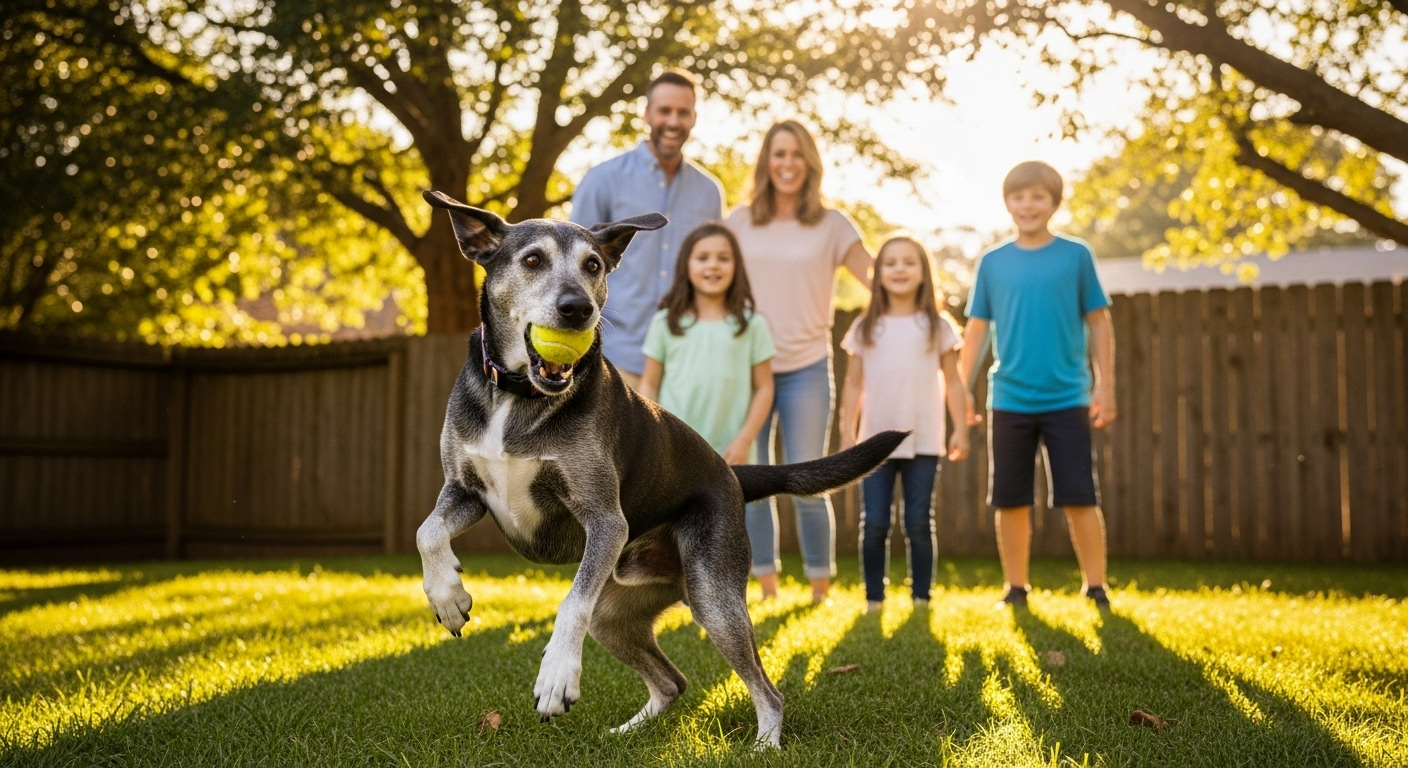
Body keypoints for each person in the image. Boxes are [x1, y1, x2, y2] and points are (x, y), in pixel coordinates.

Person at [725, 120, 874, 604]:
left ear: (810, 162)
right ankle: (765, 587)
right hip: (749, 368)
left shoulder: (833, 225)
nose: (787, 163)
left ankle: (819, 590)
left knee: (810, 478)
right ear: (766, 162)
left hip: (809, 366)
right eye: (778, 154)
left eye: (796, 155)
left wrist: (922, 317)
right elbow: (709, 279)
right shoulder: (739, 222)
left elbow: (881, 281)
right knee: (750, 477)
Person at [958, 160, 1116, 610]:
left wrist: (1105, 386)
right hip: (1008, 398)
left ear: (1053, 203)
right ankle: (1016, 588)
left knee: (1079, 494)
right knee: (1010, 498)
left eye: (1037, 197)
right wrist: (962, 390)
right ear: (1007, 203)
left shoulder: (1075, 255)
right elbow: (975, 332)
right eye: (1019, 196)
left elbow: (1100, 323)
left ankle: (1096, 585)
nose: (1027, 205)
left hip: (1068, 397)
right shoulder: (992, 262)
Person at [569, 68, 725, 389]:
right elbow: (571, 269)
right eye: (664, 110)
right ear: (646, 115)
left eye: (683, 112)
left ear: (694, 118)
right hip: (614, 356)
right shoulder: (602, 180)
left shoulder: (709, 192)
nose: (673, 121)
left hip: (684, 361)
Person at [839, 235, 970, 613]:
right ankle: (874, 598)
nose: (899, 269)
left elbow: (955, 381)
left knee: (917, 521)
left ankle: (921, 598)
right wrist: (849, 432)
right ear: (877, 273)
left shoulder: (938, 325)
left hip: (925, 440)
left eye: (909, 262)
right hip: (874, 442)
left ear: (924, 273)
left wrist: (961, 427)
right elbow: (853, 383)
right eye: (890, 263)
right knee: (875, 522)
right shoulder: (866, 326)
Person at [640, 223, 775, 465]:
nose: (713, 265)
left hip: (731, 456)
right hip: (676, 451)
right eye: (702, 258)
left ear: (736, 267)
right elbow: (649, 385)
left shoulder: (753, 325)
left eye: (723, 258)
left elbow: (764, 389)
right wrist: (655, 437)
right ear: (686, 265)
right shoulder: (664, 323)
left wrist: (743, 441)